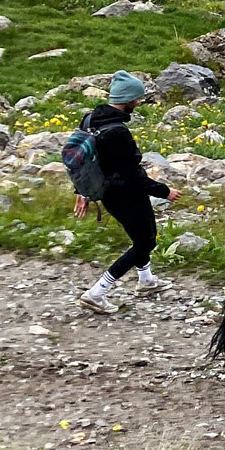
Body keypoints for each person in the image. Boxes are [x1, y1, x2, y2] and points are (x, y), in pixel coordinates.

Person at [76, 72, 182, 315]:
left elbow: (82, 159)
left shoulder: (90, 119)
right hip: (125, 193)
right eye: (138, 98)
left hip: (104, 191)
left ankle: (146, 281)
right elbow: (133, 175)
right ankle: (97, 292)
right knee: (146, 241)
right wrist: (164, 191)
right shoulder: (118, 132)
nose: (140, 101)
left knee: (139, 237)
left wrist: (81, 190)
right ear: (129, 99)